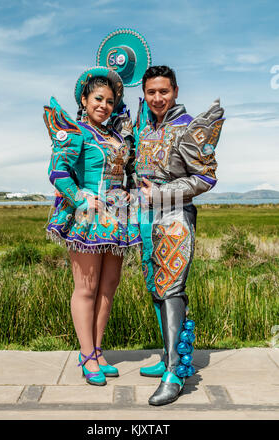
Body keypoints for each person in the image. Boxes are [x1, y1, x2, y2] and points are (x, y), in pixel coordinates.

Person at [43, 67, 142, 386]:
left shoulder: (115, 135)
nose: (104, 105)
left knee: (108, 287)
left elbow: (126, 168)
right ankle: (86, 355)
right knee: (86, 288)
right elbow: (58, 172)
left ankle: (98, 351)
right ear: (84, 100)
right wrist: (81, 197)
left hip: (117, 217)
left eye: (110, 101)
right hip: (87, 217)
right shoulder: (76, 132)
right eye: (98, 98)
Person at [132, 65, 225, 405]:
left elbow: (206, 178)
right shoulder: (146, 127)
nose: (158, 98)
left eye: (164, 91)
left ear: (175, 92)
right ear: (144, 94)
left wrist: (161, 194)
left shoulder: (186, 128)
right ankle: (168, 355)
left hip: (174, 217)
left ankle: (175, 373)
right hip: (143, 219)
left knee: (172, 289)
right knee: (156, 288)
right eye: (151, 92)